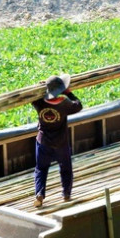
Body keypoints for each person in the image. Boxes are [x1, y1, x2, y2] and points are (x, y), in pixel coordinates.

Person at [31, 74, 83, 208]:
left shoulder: (39, 103)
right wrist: (69, 93)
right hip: (61, 142)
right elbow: (78, 105)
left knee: (41, 169)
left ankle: (39, 194)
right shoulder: (64, 103)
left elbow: (32, 97)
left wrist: (39, 87)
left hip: (43, 142)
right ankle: (66, 194)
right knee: (65, 168)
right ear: (61, 90)